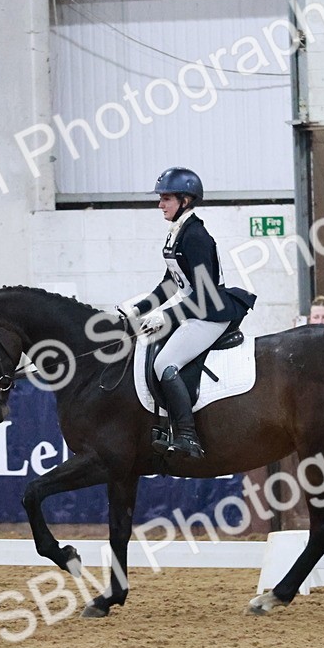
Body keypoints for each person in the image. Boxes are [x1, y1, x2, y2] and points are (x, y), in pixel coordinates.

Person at [130, 167, 256, 459]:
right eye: (161, 198)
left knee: (165, 364)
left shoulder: (195, 235)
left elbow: (205, 294)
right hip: (191, 310)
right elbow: (169, 285)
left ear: (185, 200)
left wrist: (166, 317)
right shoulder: (177, 233)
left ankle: (187, 435)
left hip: (209, 312)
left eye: (167, 198)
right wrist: (137, 309)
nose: (160, 204)